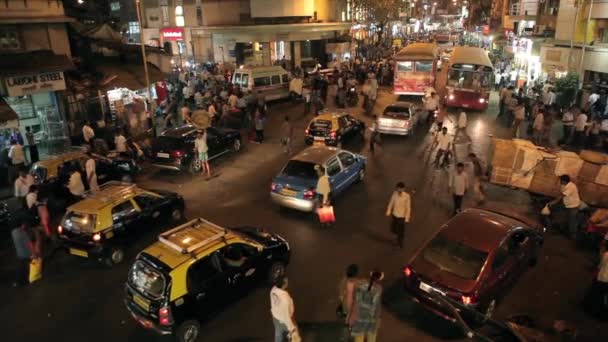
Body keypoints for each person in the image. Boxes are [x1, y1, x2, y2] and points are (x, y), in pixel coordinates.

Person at [348, 270, 383, 342]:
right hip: (371, 319)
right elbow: (376, 306)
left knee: (359, 338)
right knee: (371, 339)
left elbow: (356, 303)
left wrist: (351, 317)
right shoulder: (378, 289)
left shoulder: (361, 287)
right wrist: (377, 319)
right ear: (378, 279)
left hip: (360, 317)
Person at [548, 175, 581, 240]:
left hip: (573, 205)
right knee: (564, 217)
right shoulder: (564, 185)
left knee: (572, 220)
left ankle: (573, 235)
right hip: (567, 204)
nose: (559, 182)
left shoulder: (571, 186)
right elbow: (561, 193)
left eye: (560, 180)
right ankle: (562, 230)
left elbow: (562, 195)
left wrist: (553, 202)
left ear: (564, 181)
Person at [584, 239, 608, 319]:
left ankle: (592, 311)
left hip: (602, 278)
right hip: (604, 280)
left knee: (596, 295)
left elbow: (600, 266)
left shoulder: (606, 255)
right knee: (602, 297)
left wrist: (596, 274)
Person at [270, 275, 297, 342]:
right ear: (284, 284)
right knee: (294, 335)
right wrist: (291, 327)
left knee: (278, 334)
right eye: (286, 281)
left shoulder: (273, 290)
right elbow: (286, 315)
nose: (287, 283)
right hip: (284, 321)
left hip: (275, 317)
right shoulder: (285, 298)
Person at [11, 220, 38, 286]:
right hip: (26, 253)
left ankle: (18, 282)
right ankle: (28, 280)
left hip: (19, 253)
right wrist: (33, 253)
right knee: (29, 267)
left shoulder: (13, 232)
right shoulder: (22, 232)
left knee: (21, 267)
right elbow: (29, 244)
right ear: (22, 224)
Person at [385, 182, 411, 248]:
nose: (399, 190)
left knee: (400, 231)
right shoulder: (394, 194)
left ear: (403, 189)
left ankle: (400, 243)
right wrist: (388, 211)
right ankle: (396, 239)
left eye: (400, 189)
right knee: (394, 228)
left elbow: (408, 208)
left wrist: (407, 218)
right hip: (395, 214)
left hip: (401, 216)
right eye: (398, 188)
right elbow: (391, 202)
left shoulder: (407, 196)